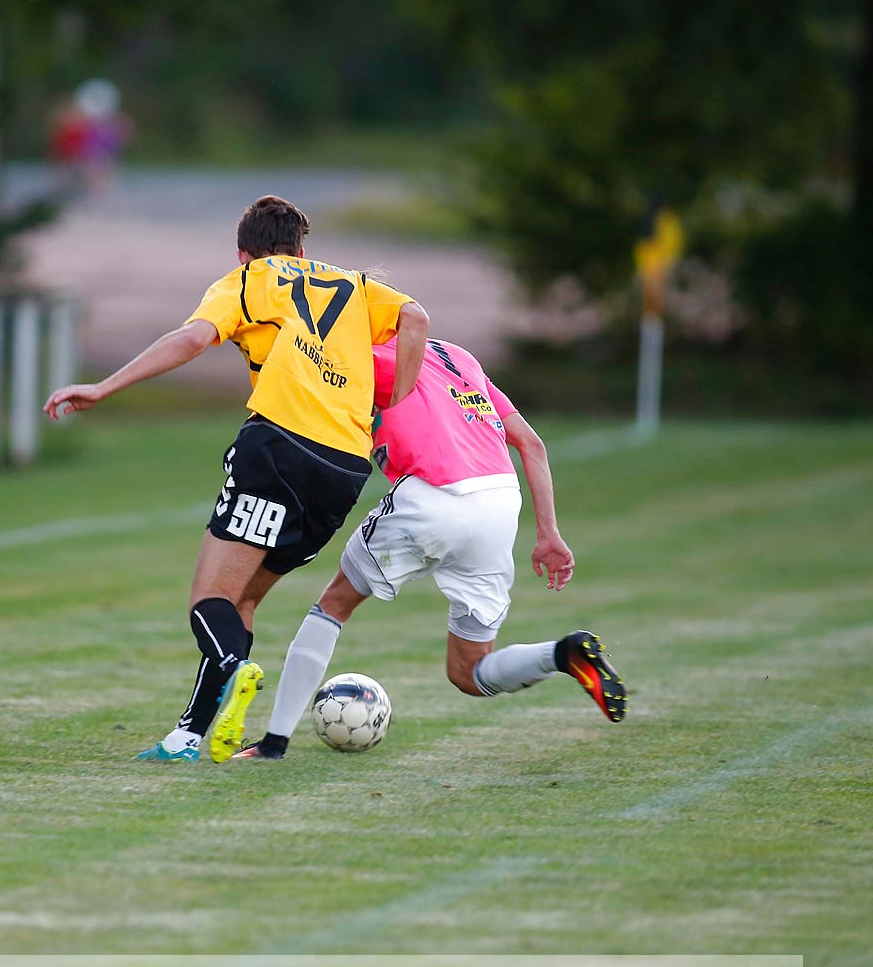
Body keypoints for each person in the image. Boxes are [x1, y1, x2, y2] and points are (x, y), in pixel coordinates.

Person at [45, 195, 430, 763]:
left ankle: (232, 666)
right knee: (243, 601)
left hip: (277, 447)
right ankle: (188, 737)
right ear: (303, 250)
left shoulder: (247, 279)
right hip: (345, 467)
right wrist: (391, 402)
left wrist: (104, 387)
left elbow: (195, 337)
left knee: (210, 600)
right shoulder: (353, 284)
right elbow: (416, 318)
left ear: (244, 252)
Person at [233, 335, 625, 762]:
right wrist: (548, 533)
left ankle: (273, 744)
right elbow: (531, 444)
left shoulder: (365, 356)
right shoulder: (460, 356)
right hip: (498, 501)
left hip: (433, 498)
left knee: (333, 606)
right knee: (469, 672)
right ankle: (564, 653)